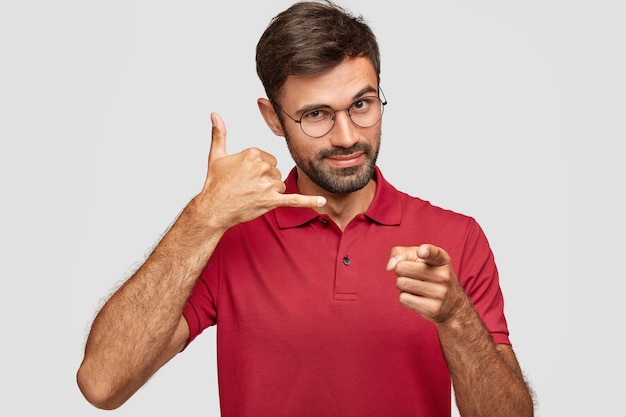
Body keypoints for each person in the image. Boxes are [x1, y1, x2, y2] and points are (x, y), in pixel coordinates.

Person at [76, 1, 534, 416]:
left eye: (362, 104)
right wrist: (204, 216)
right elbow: (103, 385)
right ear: (273, 118)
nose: (347, 136)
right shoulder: (231, 235)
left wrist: (456, 315)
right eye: (316, 115)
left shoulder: (454, 239)